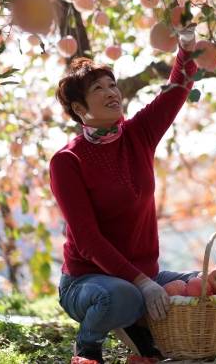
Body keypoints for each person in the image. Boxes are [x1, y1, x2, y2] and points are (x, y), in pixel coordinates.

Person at [50, 28, 200, 364]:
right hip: (87, 282)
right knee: (123, 297)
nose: (111, 92)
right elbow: (87, 239)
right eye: (98, 89)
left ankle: (138, 329)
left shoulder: (139, 133)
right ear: (79, 107)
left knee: (204, 285)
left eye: (112, 85)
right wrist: (143, 284)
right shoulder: (67, 161)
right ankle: (86, 348)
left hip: (142, 275)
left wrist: (186, 48)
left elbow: (176, 91)